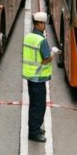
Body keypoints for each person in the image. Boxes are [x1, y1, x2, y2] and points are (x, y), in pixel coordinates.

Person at [23, 12, 58, 142]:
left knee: (35, 105)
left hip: (30, 76)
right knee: (38, 106)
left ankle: (36, 128)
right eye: (43, 24)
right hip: (38, 78)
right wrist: (53, 52)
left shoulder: (28, 37)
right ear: (39, 24)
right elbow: (46, 59)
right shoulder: (41, 40)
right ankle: (34, 132)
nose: (44, 26)